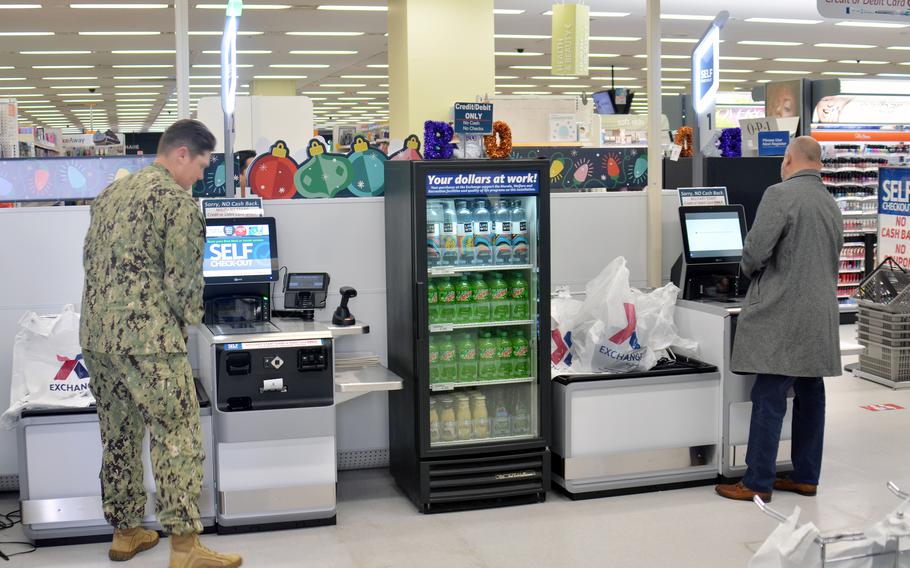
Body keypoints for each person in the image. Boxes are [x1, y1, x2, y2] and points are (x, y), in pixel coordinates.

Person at [80, 119, 242, 567]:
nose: (202, 175)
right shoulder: (178, 203)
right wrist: (190, 323)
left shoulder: (110, 195)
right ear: (181, 154)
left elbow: (91, 261)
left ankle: (126, 530)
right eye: (203, 164)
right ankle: (186, 548)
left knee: (119, 434)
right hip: (149, 340)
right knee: (177, 435)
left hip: (96, 336)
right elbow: (184, 283)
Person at [715, 136, 843, 503]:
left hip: (783, 312)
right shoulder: (830, 203)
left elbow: (755, 252)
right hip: (820, 315)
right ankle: (805, 476)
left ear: (788, 159)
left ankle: (756, 481)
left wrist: (745, 273)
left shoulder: (779, 195)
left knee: (768, 394)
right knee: (810, 393)